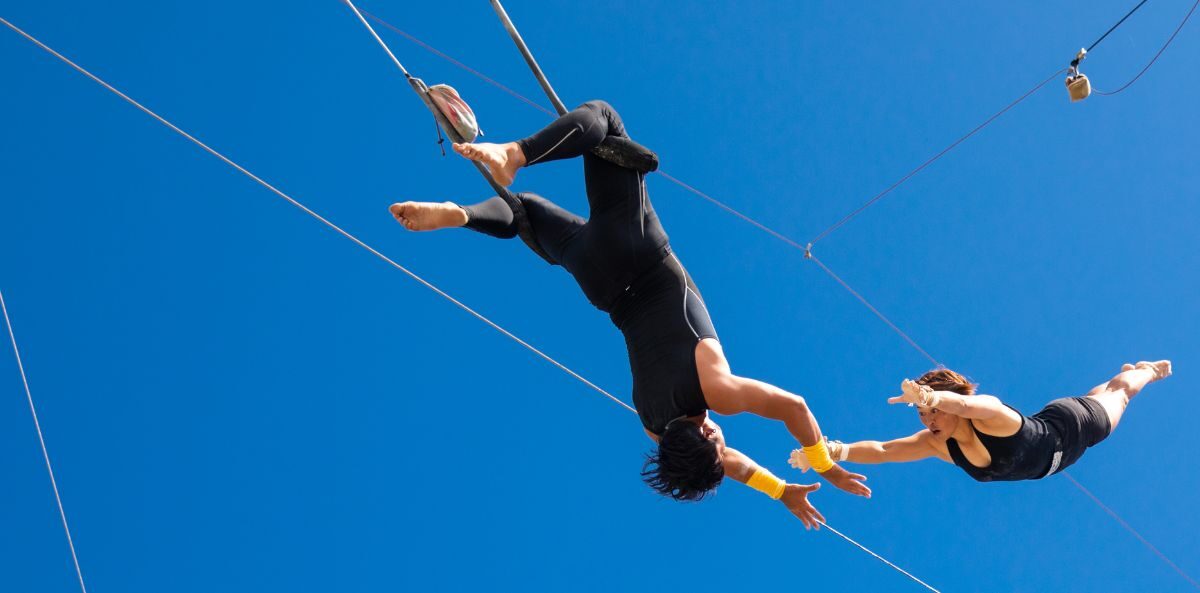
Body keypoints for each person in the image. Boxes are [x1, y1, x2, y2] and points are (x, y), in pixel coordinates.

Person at [389, 100, 869, 527]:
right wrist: (781, 491)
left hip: (639, 255)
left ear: (706, 433)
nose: (726, 445)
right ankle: (460, 213)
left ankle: (513, 154)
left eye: (719, 443)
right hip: (601, 284)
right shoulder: (653, 423)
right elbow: (726, 462)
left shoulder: (717, 392)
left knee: (604, 120)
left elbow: (795, 407)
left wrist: (823, 461)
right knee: (527, 214)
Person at [789, 361, 1172, 482]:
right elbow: (885, 450)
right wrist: (830, 450)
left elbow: (975, 406)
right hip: (1059, 456)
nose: (928, 419)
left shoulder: (991, 418)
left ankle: (1146, 370)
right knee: (1098, 394)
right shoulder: (937, 443)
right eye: (922, 413)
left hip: (1072, 428)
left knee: (1120, 392)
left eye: (933, 412)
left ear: (952, 404)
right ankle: (1116, 378)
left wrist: (931, 395)